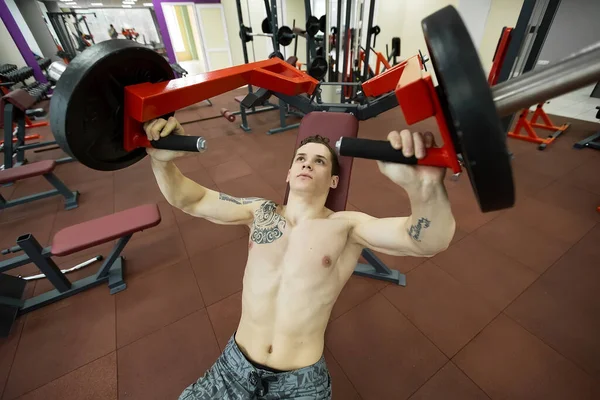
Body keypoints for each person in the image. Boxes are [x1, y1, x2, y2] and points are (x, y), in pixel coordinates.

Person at [144, 116, 456, 400]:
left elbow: (425, 241)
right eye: (301, 159)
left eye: (320, 161)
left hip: (300, 383)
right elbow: (190, 199)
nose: (307, 165)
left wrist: (425, 188)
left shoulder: (347, 227)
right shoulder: (258, 212)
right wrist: (161, 163)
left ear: (334, 180)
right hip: (234, 367)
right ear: (289, 172)